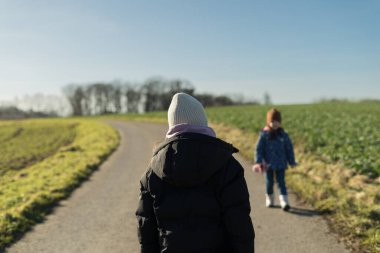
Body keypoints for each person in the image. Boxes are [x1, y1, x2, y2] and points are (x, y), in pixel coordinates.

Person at [136, 93, 255, 253]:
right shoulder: (227, 164)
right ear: (202, 122)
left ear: (172, 126)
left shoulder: (152, 171)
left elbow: (146, 228)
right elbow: (239, 222)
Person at [253, 108, 297, 211]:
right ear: (268, 122)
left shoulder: (284, 135)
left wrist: (292, 161)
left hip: (281, 163)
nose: (275, 124)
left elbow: (289, 149)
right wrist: (258, 161)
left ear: (280, 122)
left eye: (277, 121)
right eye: (272, 121)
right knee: (269, 182)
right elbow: (259, 149)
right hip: (268, 164)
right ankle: (270, 198)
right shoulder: (264, 135)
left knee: (281, 182)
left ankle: (284, 201)